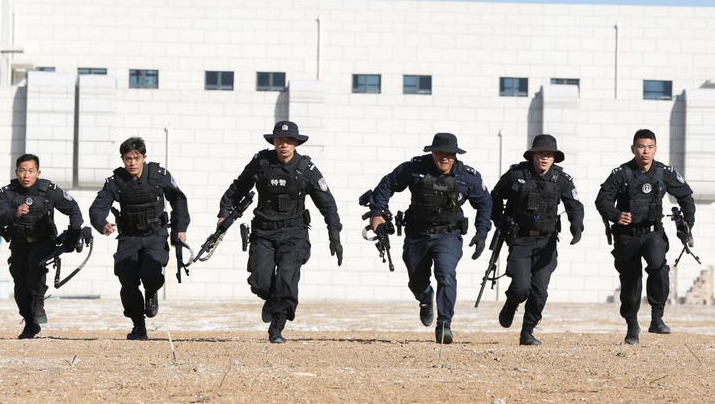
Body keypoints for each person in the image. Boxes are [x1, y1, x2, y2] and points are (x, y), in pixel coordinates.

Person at [219, 121, 342, 344]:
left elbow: (327, 204)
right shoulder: (261, 163)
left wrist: (334, 235)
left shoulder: (306, 169)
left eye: (288, 141)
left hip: (294, 234)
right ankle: (272, 299)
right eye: (279, 140)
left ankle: (277, 327)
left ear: (296, 143)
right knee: (260, 282)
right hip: (264, 232)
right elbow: (238, 187)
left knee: (286, 279)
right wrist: (224, 212)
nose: (284, 145)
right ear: (274, 142)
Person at [368, 133, 492, 344]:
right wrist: (377, 212)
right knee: (417, 281)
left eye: (449, 154)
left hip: (448, 234)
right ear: (432, 153)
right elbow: (387, 184)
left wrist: (481, 233)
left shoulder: (468, 177)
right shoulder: (414, 168)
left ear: (455, 155)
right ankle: (425, 298)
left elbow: (485, 203)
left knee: (446, 274)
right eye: (439, 153)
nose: (444, 158)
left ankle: (444, 324)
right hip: (417, 233)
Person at [595, 129, 695, 345]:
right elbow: (602, 200)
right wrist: (615, 215)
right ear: (633, 149)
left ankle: (657, 318)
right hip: (626, 237)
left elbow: (686, 196)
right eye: (641, 147)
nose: (645, 151)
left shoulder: (664, 172)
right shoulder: (621, 173)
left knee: (659, 267)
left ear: (655, 149)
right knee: (630, 282)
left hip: (652, 233)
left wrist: (687, 226)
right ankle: (632, 325)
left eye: (650, 147)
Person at [89, 137, 190, 340]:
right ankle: (138, 326)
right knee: (127, 281)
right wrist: (102, 224)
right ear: (122, 159)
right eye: (128, 159)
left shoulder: (158, 175)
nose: (132, 163)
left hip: (155, 233)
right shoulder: (116, 181)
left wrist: (180, 228)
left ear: (144, 157)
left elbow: (178, 198)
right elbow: (97, 207)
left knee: (151, 273)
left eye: (136, 158)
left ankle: (151, 291)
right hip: (129, 235)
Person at [491, 134, 584, 346]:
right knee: (521, 287)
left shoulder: (562, 180)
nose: (544, 158)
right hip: (520, 240)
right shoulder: (516, 174)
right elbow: (495, 196)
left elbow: (575, 206)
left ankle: (527, 332)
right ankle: (512, 302)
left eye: (549, 154)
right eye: (541, 153)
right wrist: (500, 222)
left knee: (540, 291)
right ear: (533, 156)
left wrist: (577, 227)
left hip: (546, 242)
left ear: (554, 158)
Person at [0, 154, 84, 339]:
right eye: (22, 171)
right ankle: (30, 323)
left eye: (31, 171)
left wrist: (74, 235)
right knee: (20, 289)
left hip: (43, 241)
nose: (26, 175)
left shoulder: (49, 190)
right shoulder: (8, 192)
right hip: (19, 244)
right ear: (16, 172)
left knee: (36, 264)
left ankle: (39, 302)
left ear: (38, 173)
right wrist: (14, 213)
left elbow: (73, 209)